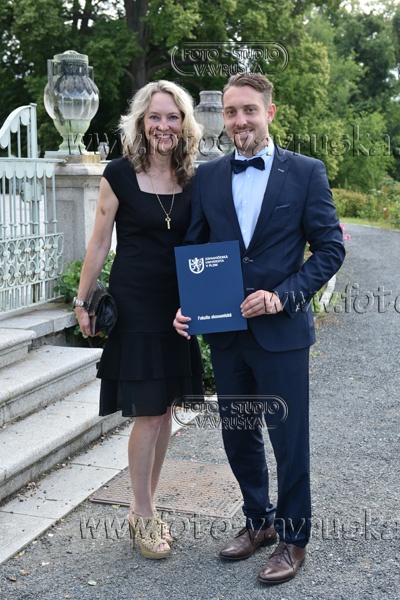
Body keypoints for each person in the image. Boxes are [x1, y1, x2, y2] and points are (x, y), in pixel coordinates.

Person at [174, 73, 345, 583]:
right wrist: (188, 305)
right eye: (231, 112)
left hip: (282, 332)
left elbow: (330, 249)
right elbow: (195, 249)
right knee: (238, 434)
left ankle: (293, 539)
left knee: (289, 440)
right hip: (227, 335)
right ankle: (259, 522)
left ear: (269, 112)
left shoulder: (306, 172)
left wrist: (282, 295)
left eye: (249, 110)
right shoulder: (208, 177)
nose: (239, 120)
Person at [74, 80, 203, 560]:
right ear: (141, 122)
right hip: (136, 307)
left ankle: (144, 505)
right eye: (155, 117)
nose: (163, 126)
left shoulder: (193, 177)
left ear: (184, 124)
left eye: (173, 117)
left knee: (165, 410)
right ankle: (142, 512)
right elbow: (98, 241)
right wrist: (82, 300)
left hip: (178, 309)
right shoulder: (119, 174)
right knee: (149, 413)